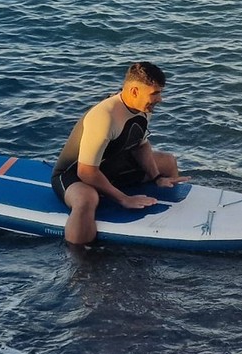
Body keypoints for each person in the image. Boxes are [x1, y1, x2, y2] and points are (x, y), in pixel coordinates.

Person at [51, 61, 187, 245]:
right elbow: (86, 171)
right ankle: (79, 256)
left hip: (110, 167)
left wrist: (157, 178)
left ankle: (171, 219)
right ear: (134, 91)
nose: (160, 99)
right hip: (74, 175)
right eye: (155, 93)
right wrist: (124, 199)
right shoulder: (104, 116)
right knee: (86, 199)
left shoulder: (143, 108)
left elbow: (140, 146)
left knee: (168, 162)